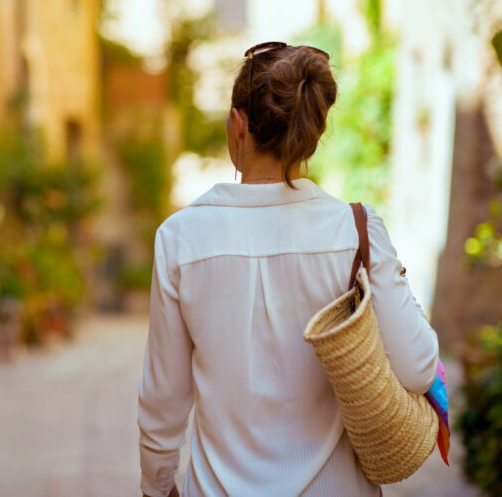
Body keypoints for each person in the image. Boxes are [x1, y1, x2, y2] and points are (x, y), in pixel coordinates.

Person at [137, 42, 440, 497]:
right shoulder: (356, 230)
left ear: (238, 125)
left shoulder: (180, 238)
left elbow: (163, 402)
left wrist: (157, 487)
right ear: (312, 133)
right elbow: (418, 371)